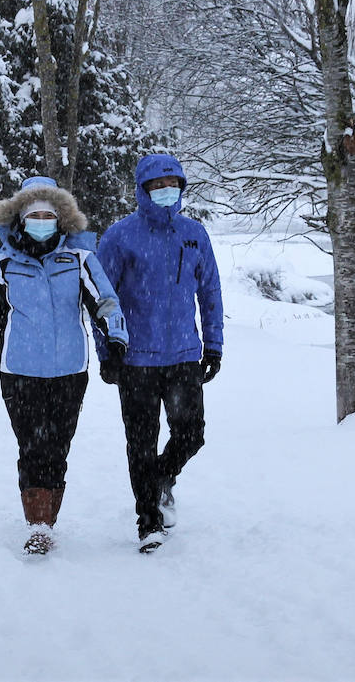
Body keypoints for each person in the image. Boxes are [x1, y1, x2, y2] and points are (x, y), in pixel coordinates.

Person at [0, 175, 128, 555]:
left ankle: (47, 518)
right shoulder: (1, 261)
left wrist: (116, 337)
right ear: (19, 218)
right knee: (32, 447)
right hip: (19, 371)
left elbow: (106, 302)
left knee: (58, 447)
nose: (40, 221)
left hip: (70, 371)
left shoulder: (80, 258)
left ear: (60, 219)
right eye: (33, 214)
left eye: (47, 215)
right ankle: (38, 526)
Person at [96, 153, 223, 553]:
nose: (166, 191)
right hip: (135, 359)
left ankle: (162, 478)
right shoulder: (119, 237)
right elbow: (103, 299)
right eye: (158, 185)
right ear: (143, 189)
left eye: (174, 184)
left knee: (192, 434)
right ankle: (148, 519)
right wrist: (107, 351)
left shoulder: (193, 234)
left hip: (184, 354)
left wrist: (214, 344)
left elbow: (211, 292)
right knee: (141, 442)